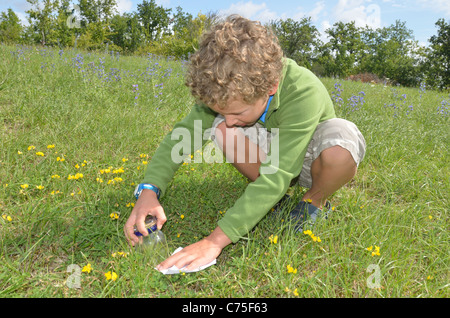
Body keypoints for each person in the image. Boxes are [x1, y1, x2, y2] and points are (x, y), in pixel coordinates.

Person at [124, 15, 366, 272]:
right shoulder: (224, 88)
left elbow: (276, 174)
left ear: (270, 87)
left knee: (342, 142)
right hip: (272, 152)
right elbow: (181, 136)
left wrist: (214, 241)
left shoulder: (303, 90)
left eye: (237, 113)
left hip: (310, 158)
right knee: (220, 130)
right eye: (221, 110)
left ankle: (313, 203)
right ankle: (276, 201)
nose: (229, 120)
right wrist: (149, 189)